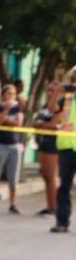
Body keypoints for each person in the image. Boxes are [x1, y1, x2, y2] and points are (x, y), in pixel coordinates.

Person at [0, 83, 25, 214]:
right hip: (0, 144)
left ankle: (13, 204)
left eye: (13, 94)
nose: (11, 96)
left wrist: (6, 120)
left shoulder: (18, 108)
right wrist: (6, 110)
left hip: (14, 145)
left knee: (13, 177)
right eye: (9, 93)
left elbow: (18, 123)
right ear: (3, 95)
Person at [33, 80, 64, 216]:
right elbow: (35, 123)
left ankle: (55, 207)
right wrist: (43, 125)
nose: (50, 93)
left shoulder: (62, 105)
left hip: (54, 142)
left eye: (53, 90)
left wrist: (43, 125)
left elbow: (53, 125)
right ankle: (50, 205)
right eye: (49, 90)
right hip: (44, 141)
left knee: (51, 176)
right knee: (45, 175)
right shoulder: (45, 106)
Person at [54, 72, 76, 233]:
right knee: (64, 187)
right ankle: (62, 222)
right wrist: (57, 90)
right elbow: (52, 110)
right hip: (67, 148)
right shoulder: (67, 98)